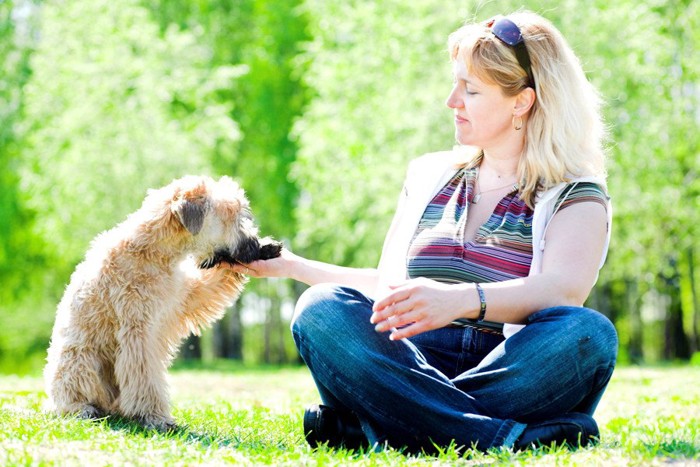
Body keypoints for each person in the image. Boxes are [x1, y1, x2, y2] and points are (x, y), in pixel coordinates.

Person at [228, 11, 618, 453]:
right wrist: (295, 267)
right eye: (456, 85)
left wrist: (459, 301)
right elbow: (391, 288)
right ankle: (499, 437)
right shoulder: (429, 174)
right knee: (321, 308)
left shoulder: (577, 194)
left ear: (521, 102)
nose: (452, 101)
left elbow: (563, 292)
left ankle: (381, 427)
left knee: (588, 333)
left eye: (470, 90)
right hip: (407, 361)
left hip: (509, 366)